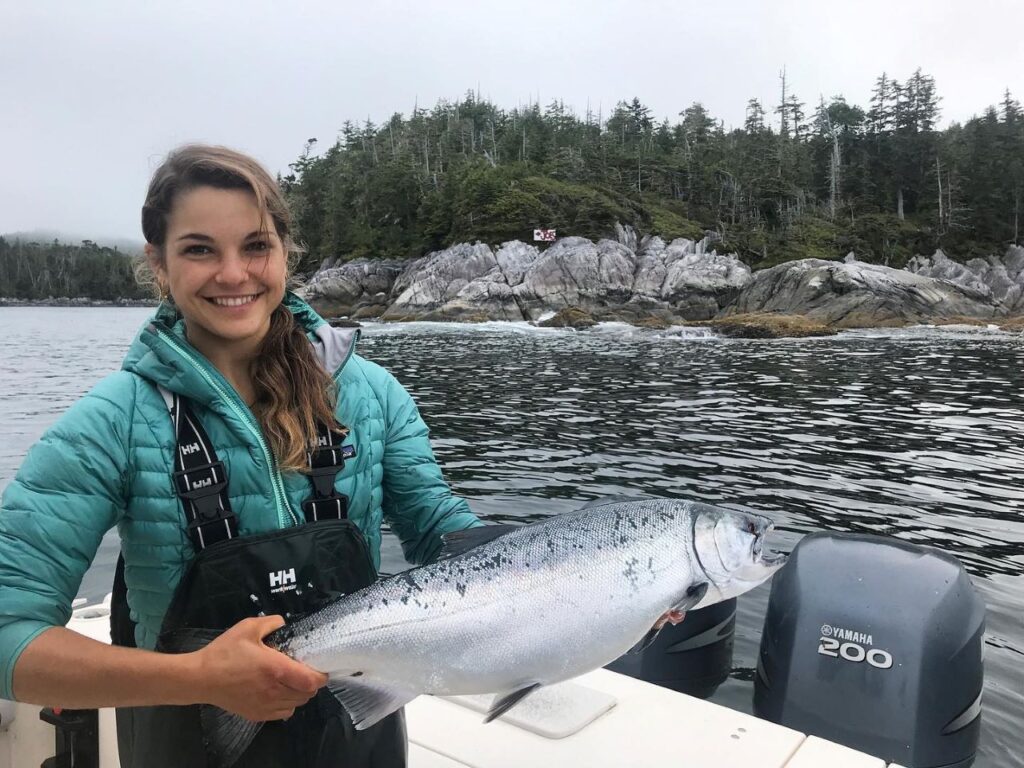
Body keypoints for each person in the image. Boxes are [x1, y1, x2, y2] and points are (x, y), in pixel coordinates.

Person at [0, 144, 481, 767]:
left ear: (284, 252)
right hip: (189, 740)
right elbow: (10, 634)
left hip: (361, 736)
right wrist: (199, 677)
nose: (233, 275)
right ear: (159, 262)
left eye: (255, 245)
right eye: (200, 249)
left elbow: (442, 534)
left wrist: (589, 578)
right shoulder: (113, 422)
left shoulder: (371, 394)